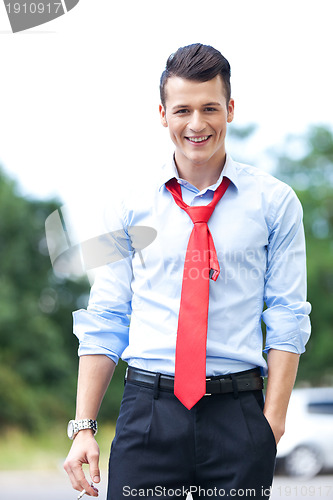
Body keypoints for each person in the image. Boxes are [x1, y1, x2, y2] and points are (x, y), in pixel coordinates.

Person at [64, 43, 311, 499]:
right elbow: (107, 316)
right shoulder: (127, 206)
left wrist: (271, 422)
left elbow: (287, 315)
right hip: (149, 413)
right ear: (162, 114)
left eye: (210, 108)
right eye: (183, 110)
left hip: (238, 414)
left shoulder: (275, 204)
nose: (196, 125)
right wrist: (83, 427)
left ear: (230, 109)